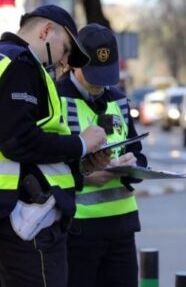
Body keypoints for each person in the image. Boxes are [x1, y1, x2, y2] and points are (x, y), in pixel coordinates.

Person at [0, 5, 111, 287]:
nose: (65, 62)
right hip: (23, 220)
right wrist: (81, 143)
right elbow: (18, 140)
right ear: (45, 31)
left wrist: (79, 164)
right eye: (65, 50)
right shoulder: (21, 63)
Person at [56, 23, 147, 287]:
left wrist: (132, 165)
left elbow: (137, 153)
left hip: (122, 227)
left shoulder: (118, 98)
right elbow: (42, 162)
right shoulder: (56, 99)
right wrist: (83, 176)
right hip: (76, 230)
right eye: (94, 75)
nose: (101, 85)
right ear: (75, 63)